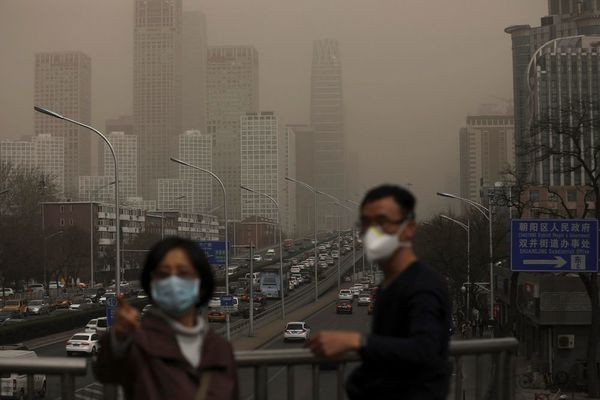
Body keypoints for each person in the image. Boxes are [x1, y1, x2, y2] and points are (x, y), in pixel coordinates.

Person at [306, 184, 451, 399]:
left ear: (409, 228)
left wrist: (355, 342)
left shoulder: (423, 286)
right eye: (366, 224)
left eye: (382, 222)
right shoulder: (389, 286)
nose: (373, 232)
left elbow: (425, 350)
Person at [94, 237, 239, 400]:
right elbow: (106, 371)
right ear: (152, 283)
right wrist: (119, 336)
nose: (173, 282)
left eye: (183, 273)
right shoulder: (138, 345)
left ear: (201, 283)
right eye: (164, 274)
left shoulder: (220, 350)